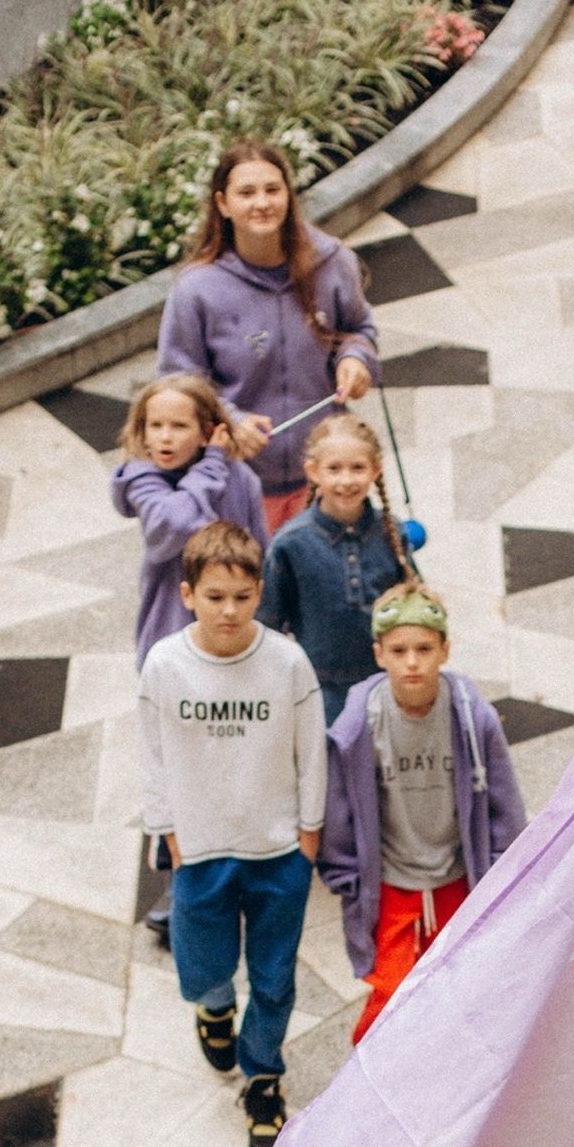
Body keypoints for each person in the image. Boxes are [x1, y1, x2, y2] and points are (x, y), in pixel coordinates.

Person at [136, 520, 325, 1147]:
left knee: (274, 980)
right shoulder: (165, 665)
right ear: (188, 594)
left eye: (242, 597)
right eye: (215, 596)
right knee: (204, 965)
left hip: (277, 851)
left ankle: (264, 1081)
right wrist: (167, 831)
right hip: (202, 847)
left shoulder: (286, 662)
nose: (229, 610)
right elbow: (152, 753)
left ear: (259, 594)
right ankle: (215, 1008)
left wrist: (309, 832)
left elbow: (311, 749)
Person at [319, 584, 526, 1041]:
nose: (412, 661)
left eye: (424, 649)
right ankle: (371, 1084)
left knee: (460, 987)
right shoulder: (359, 724)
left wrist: (501, 870)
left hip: (457, 877)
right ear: (379, 654)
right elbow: (338, 808)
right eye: (399, 650)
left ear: (444, 650)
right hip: (393, 883)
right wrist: (348, 879)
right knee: (388, 997)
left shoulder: (473, 718)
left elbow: (504, 803)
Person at [157, 138, 379, 535]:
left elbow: (358, 330)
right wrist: (230, 419)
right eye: (247, 192)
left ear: (289, 196)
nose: (262, 202)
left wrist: (354, 359)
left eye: (273, 190)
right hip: (240, 485)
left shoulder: (332, 262)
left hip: (324, 481)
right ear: (223, 204)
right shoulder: (197, 289)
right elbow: (179, 386)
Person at [259, 413, 412, 726]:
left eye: (357, 467)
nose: (346, 480)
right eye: (334, 468)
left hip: (386, 688)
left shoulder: (391, 532)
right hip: (319, 694)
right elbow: (268, 625)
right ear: (313, 472)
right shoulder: (290, 544)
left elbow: (413, 610)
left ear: (375, 469)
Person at [110, 373, 269, 665]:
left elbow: (261, 556)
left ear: (206, 432)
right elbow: (173, 523)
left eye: (179, 426)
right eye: (155, 425)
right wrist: (210, 467)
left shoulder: (242, 479)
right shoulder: (142, 478)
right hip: (171, 632)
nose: (165, 436)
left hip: (234, 631)